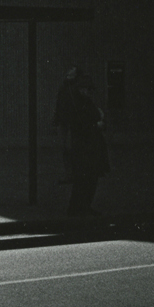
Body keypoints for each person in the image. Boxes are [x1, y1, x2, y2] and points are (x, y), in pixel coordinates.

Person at [53, 69, 109, 216]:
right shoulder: (80, 103)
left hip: (86, 146)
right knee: (86, 180)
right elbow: (81, 124)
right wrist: (97, 124)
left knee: (85, 180)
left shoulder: (77, 100)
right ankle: (79, 208)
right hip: (86, 146)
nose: (90, 91)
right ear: (81, 88)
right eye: (88, 89)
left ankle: (79, 207)